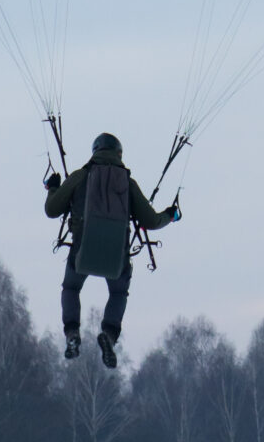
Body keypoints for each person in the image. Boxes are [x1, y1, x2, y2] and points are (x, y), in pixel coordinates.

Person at [45, 132, 181, 367]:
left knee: (71, 287)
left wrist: (53, 188)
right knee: (118, 293)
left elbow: (51, 210)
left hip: (82, 252)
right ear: (119, 154)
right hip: (117, 258)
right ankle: (108, 335)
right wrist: (170, 215)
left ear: (95, 152)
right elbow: (150, 221)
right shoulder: (128, 183)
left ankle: (72, 334)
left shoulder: (79, 177)